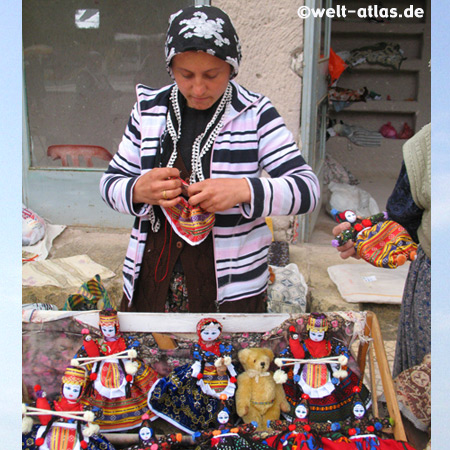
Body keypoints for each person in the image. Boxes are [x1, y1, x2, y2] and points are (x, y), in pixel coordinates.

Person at [100, 5, 320, 313]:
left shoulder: (255, 114)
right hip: (151, 278)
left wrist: (242, 190)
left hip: (232, 288)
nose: (199, 88)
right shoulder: (148, 111)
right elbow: (110, 184)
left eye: (212, 75)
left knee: (225, 361)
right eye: (185, 75)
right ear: (170, 67)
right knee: (147, 359)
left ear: (232, 67)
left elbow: (307, 190)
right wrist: (138, 190)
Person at [332, 123, 431, 377]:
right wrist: (369, 234)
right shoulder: (428, 144)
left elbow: (403, 217)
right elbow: (402, 221)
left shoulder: (431, 141)